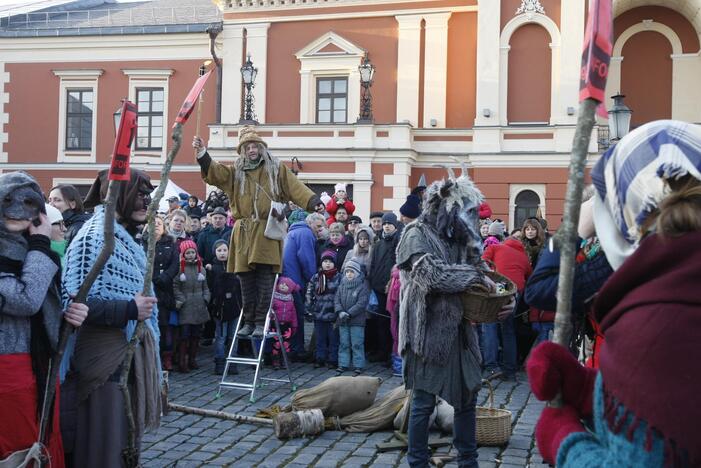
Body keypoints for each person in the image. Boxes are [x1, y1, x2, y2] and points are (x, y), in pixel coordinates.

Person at [527, 120, 701, 467]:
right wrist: (583, 387)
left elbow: (541, 289)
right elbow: (652, 413)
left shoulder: (657, 306)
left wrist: (564, 442)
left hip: (618, 354)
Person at [396, 169, 512, 468]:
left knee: (466, 399)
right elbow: (431, 275)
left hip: (460, 333)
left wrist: (504, 300)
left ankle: (468, 461)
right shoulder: (414, 234)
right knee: (423, 403)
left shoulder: (460, 240)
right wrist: (474, 276)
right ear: (442, 208)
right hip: (426, 332)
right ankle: (418, 462)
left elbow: (484, 276)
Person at [60, 168, 160, 467]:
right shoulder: (95, 238)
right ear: (119, 196)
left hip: (124, 360)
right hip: (102, 364)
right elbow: (75, 304)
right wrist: (130, 309)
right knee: (103, 444)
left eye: (148, 195)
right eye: (140, 195)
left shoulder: (125, 238)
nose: (146, 202)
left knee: (122, 443)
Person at [193, 127, 321, 339]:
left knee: (265, 280)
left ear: (261, 148)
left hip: (267, 230)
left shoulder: (275, 169)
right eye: (247, 147)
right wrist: (202, 154)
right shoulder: (236, 172)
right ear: (242, 151)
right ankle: (249, 321)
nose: (252, 150)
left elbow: (294, 186)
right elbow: (215, 174)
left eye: (255, 146)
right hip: (243, 232)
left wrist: (312, 201)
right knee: (245, 280)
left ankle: (261, 321)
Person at [0, 172, 88, 468]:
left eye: (28, 201)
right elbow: (24, 300)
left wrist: (67, 318)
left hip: (37, 367)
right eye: (8, 201)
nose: (18, 209)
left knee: (41, 447)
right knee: (18, 452)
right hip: (8, 373)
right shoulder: (34, 251)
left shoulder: (32, 252)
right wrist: (40, 244)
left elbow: (38, 311)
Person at [481, 236, 532, 381]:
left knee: (490, 324)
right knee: (508, 330)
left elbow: (483, 261)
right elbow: (530, 276)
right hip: (515, 290)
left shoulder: (496, 247)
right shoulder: (523, 257)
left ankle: (492, 367)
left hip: (500, 286)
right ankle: (510, 369)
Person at [282, 211, 324, 360]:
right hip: (295, 281)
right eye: (318, 226)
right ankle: (297, 349)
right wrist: (313, 280)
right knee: (297, 317)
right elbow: (306, 260)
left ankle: (290, 347)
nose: (320, 229)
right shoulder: (305, 233)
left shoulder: (295, 231)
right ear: (310, 222)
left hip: (287, 278)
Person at [367, 211, 400, 364]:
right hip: (379, 288)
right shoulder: (378, 244)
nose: (386, 226)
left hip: (393, 289)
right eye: (385, 223)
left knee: (393, 322)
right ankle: (382, 351)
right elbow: (373, 265)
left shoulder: (399, 241)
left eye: (389, 223)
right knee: (380, 322)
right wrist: (372, 282)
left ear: (395, 225)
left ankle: (392, 354)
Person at [147, 216, 179, 371]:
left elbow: (175, 264)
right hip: (148, 289)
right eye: (153, 223)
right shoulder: (142, 241)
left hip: (165, 290)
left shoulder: (171, 243)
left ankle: (163, 358)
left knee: (164, 326)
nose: (157, 226)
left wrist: (165, 277)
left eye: (159, 223)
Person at [172, 239, 210, 373]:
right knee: (184, 335)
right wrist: (181, 299)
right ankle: (182, 361)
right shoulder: (179, 270)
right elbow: (175, 287)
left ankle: (192, 359)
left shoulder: (202, 270)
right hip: (186, 306)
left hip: (199, 305)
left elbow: (206, 287)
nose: (190, 255)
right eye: (187, 253)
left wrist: (206, 298)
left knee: (196, 335)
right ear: (183, 254)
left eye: (192, 252)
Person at [207, 240, 242, 375]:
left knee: (234, 336)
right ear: (215, 252)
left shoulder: (234, 266)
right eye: (219, 250)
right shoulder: (212, 268)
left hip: (235, 306)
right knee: (221, 336)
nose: (222, 253)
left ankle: (232, 362)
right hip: (220, 309)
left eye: (224, 250)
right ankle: (220, 362)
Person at [305, 250, 341, 369]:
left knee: (333, 339)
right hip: (319, 313)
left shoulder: (338, 277)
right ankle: (320, 358)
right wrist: (309, 308)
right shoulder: (316, 277)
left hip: (332, 314)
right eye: (325, 261)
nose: (327, 264)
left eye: (330, 262)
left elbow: (340, 294)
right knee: (320, 339)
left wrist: (338, 310)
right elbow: (309, 293)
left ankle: (333, 359)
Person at [335, 258, 370, 374]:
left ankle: (358, 365)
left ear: (357, 273)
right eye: (347, 272)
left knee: (357, 343)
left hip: (357, 321)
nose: (349, 274)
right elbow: (337, 300)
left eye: (352, 272)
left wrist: (349, 313)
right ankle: (343, 364)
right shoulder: (342, 285)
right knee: (344, 343)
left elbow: (361, 303)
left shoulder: (362, 286)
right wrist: (340, 311)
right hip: (343, 320)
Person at [270, 276, 300, 370]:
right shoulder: (274, 299)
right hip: (276, 324)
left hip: (287, 326)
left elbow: (294, 314)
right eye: (282, 284)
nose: (283, 286)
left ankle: (285, 360)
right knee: (276, 344)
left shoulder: (290, 300)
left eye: (286, 285)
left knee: (286, 344)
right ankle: (275, 360)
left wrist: (294, 325)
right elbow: (270, 312)